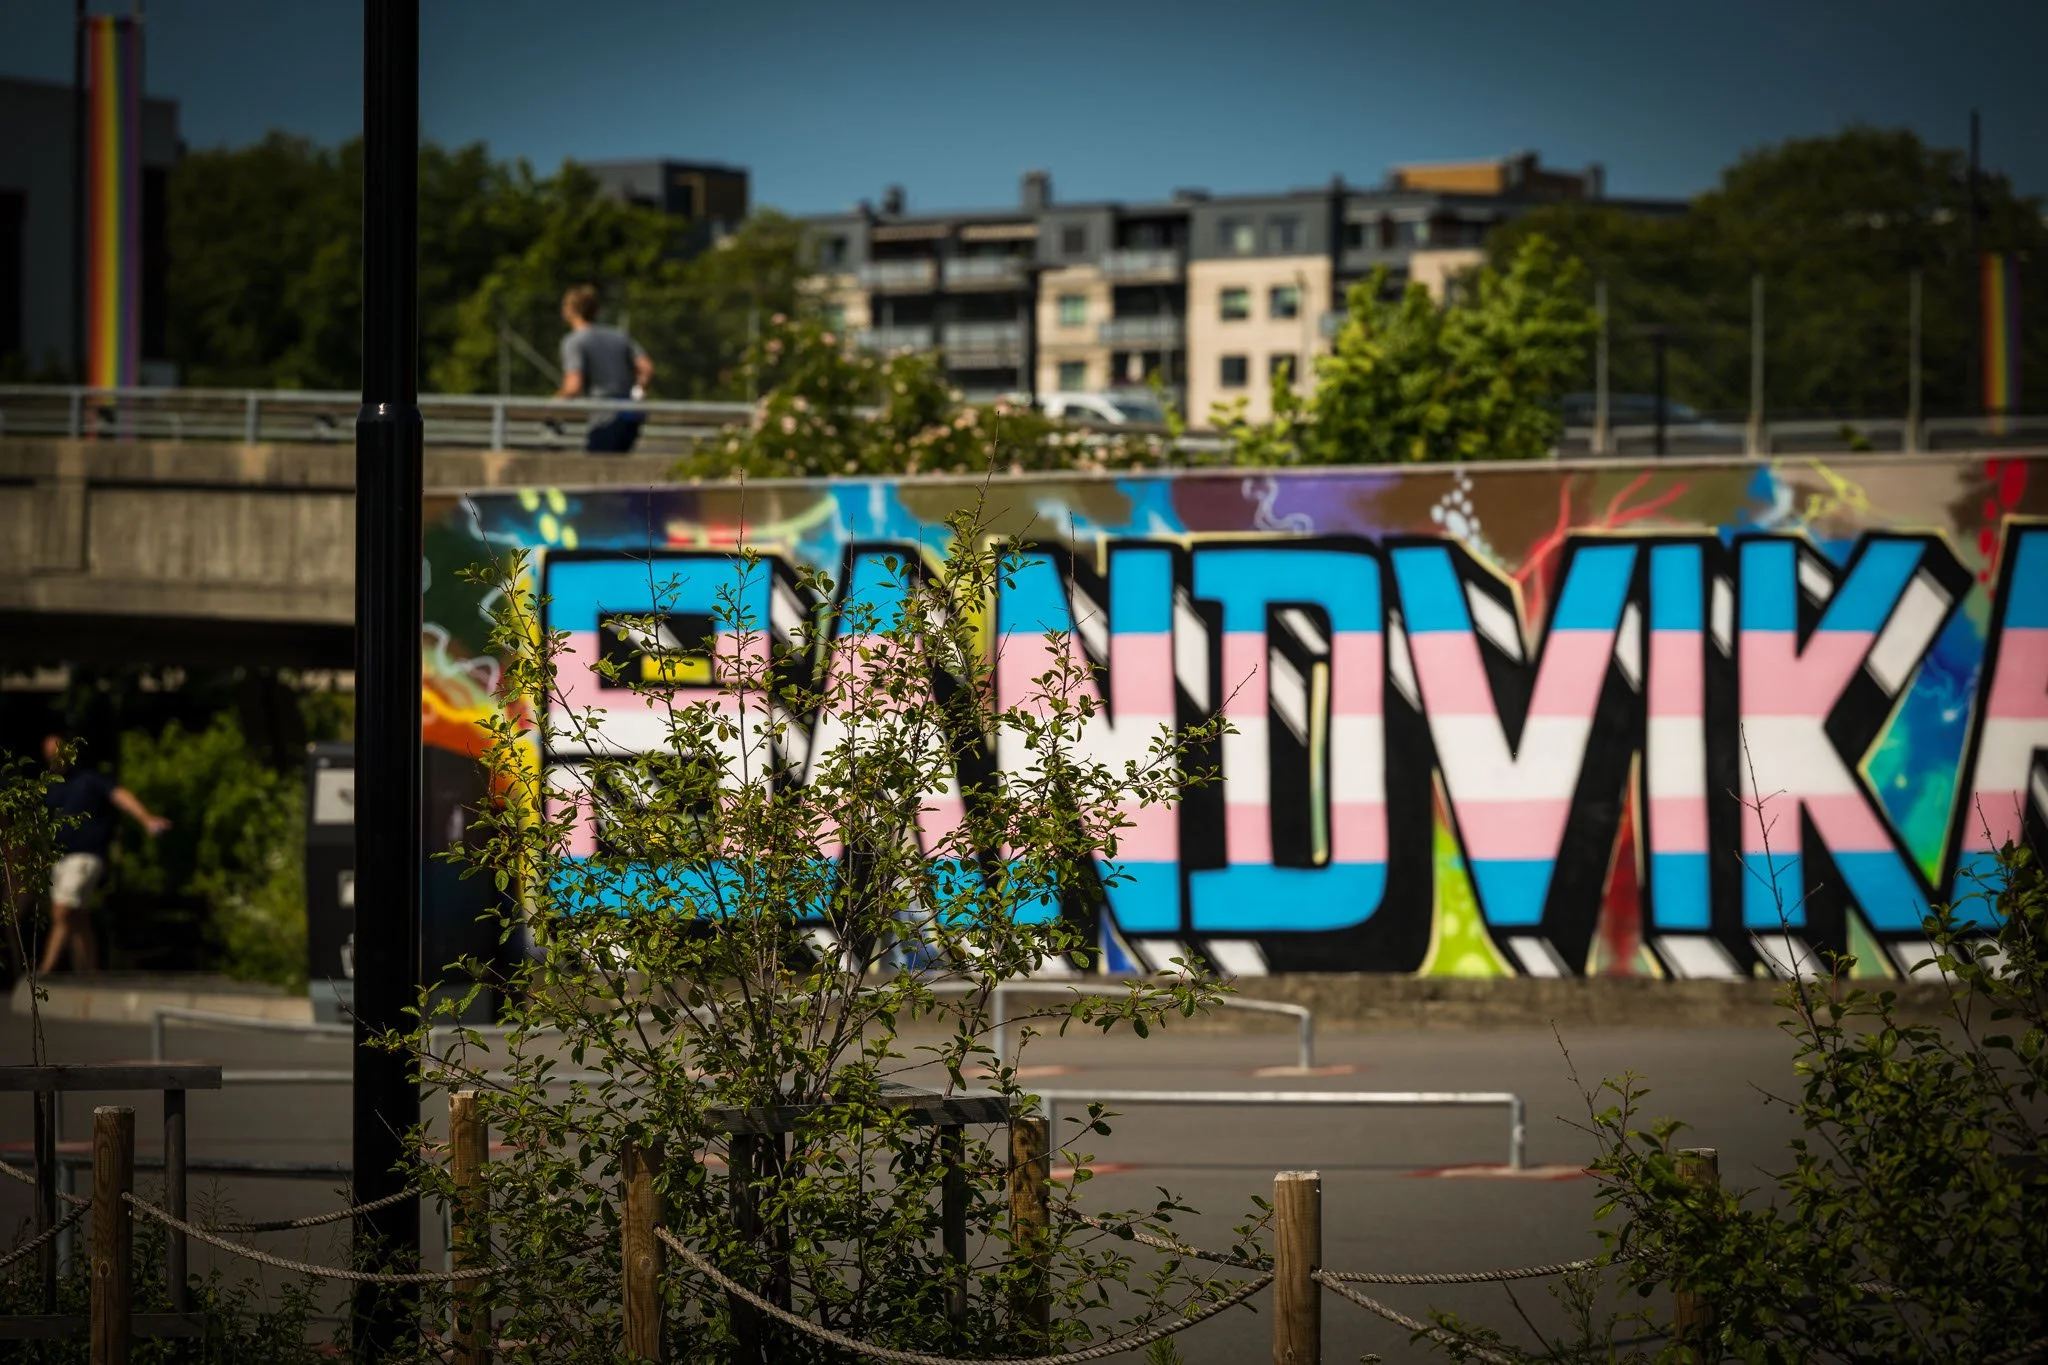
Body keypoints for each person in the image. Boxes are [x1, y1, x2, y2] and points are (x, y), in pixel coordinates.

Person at [38, 732, 170, 974]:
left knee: (62, 911)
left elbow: (120, 796)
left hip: (86, 857)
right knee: (78, 918)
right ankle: (88, 972)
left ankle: (45, 972)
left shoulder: (89, 779)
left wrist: (146, 819)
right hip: (60, 860)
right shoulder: (51, 790)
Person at [556, 284, 655, 454]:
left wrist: (552, 405)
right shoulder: (619, 336)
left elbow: (573, 386)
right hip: (630, 416)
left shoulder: (574, 341)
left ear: (572, 310)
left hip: (604, 419)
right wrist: (636, 393)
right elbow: (647, 369)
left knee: (595, 472)